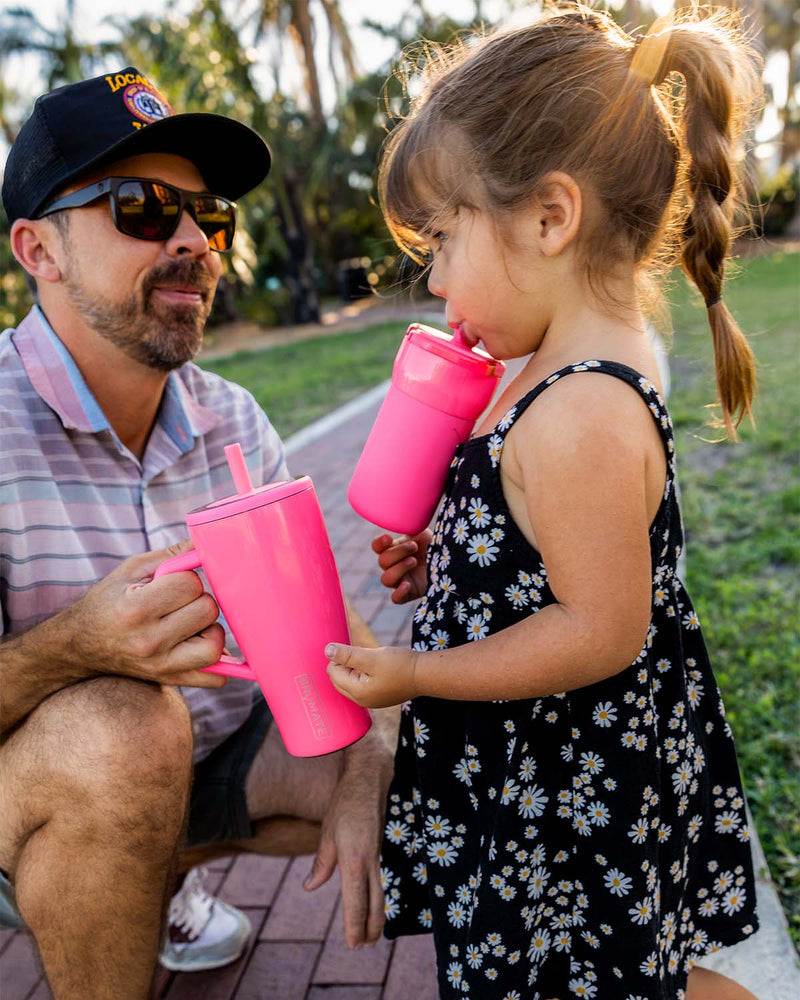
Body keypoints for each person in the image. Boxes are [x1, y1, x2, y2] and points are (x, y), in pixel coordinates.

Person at [324, 6, 763, 999]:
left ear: (549, 217)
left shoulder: (580, 410)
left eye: (439, 238)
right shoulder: (549, 372)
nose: (433, 276)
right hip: (541, 774)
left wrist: (417, 671)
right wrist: (460, 561)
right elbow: (546, 562)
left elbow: (602, 630)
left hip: (562, 797)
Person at [0, 67, 396, 996]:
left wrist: (373, 754)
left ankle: (150, 873)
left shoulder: (231, 417)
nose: (194, 242)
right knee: (124, 729)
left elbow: (335, 629)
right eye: (142, 207)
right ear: (39, 251)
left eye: (208, 216)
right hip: (33, 790)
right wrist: (77, 648)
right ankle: (102, 871)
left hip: (210, 762)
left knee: (416, 750)